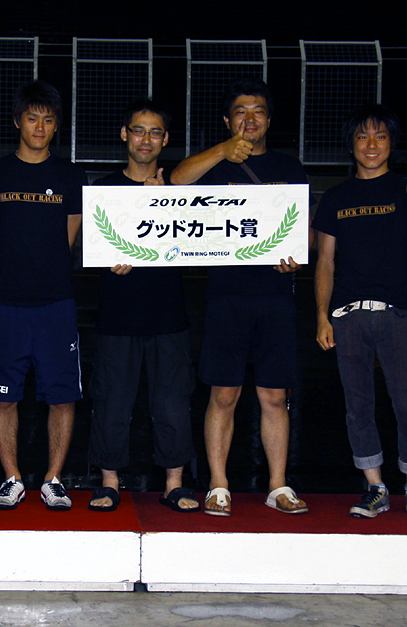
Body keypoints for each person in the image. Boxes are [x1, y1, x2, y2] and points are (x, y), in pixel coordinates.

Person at [171, 78, 310, 517]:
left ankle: (277, 485)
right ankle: (218, 484)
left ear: (269, 120)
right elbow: (176, 181)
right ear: (227, 120)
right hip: (226, 296)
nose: (250, 119)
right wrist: (222, 151)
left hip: (276, 297)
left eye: (258, 111)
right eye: (240, 112)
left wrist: (297, 258)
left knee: (274, 397)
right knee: (223, 395)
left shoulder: (289, 167)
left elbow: (304, 231)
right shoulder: (216, 164)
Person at [313, 104, 407, 519]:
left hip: (395, 314)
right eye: (363, 137)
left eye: (381, 136)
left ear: (392, 145)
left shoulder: (402, 190)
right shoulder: (336, 197)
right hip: (347, 316)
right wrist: (322, 316)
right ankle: (375, 488)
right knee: (358, 407)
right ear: (351, 145)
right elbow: (325, 261)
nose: (371, 145)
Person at [0, 81, 86, 511]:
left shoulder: (70, 176)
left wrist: (43, 273)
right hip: (5, 304)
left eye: (48, 120)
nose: (40, 127)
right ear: (17, 121)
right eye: (32, 118)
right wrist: (10, 275)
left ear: (56, 126)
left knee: (62, 395)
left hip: (56, 304)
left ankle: (53, 479)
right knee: (3, 395)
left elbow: (68, 238)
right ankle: (12, 478)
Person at [86, 99, 198, 513]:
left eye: (155, 132)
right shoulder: (103, 190)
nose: (145, 139)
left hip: (169, 314)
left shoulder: (180, 190)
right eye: (138, 130)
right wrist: (107, 260)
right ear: (124, 135)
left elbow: (200, 243)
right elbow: (89, 246)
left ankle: (174, 484)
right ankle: (109, 482)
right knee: (111, 402)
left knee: (173, 404)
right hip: (118, 315)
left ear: (165, 140)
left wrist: (165, 201)